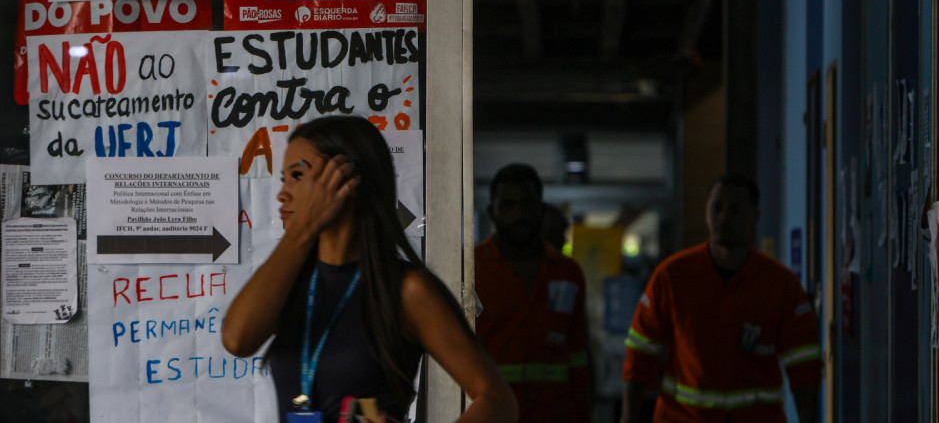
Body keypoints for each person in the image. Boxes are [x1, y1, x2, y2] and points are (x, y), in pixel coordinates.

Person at [223, 115, 518, 423]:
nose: (283, 193)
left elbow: (497, 401)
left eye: (298, 175)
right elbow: (237, 340)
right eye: (284, 178)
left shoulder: (406, 290)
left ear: (345, 181)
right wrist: (302, 232)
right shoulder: (290, 282)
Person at [620, 176, 820, 423]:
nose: (724, 217)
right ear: (707, 212)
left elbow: (804, 367)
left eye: (735, 210)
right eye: (717, 208)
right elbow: (640, 354)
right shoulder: (672, 278)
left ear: (755, 217)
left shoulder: (780, 285)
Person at [475, 164, 592, 423]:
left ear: (541, 208)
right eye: (508, 205)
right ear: (491, 212)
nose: (518, 214)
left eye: (527, 204)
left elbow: (578, 358)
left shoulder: (567, 273)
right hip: (493, 416)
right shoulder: (468, 270)